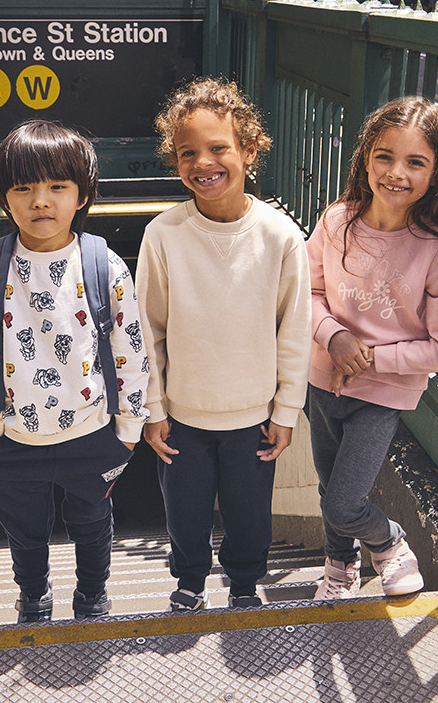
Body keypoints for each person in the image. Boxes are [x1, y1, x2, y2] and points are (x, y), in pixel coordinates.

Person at [0, 120, 148, 622]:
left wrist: (129, 429)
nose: (41, 201)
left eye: (57, 187)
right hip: (12, 436)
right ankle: (34, 596)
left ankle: (91, 595)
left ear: (82, 194)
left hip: (91, 431)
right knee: (25, 531)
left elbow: (128, 345)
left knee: (91, 521)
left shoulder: (103, 264)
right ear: (4, 197)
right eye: (24, 188)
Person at [135, 77, 311, 612]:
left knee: (250, 511)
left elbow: (294, 330)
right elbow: (148, 330)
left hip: (254, 417)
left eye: (219, 148)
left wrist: (286, 410)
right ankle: (188, 581)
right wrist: (152, 407)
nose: (203, 163)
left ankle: (243, 583)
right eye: (188, 152)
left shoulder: (280, 236)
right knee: (183, 511)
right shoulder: (163, 234)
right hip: (183, 416)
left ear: (249, 150)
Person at [306, 97, 438, 600]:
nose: (396, 172)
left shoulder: (434, 252)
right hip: (322, 381)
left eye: (415, 162)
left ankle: (391, 543)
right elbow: (305, 292)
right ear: (365, 157)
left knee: (342, 503)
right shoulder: (336, 221)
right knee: (329, 485)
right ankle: (339, 566)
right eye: (384, 156)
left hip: (383, 393)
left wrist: (372, 357)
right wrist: (333, 336)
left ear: (436, 171)